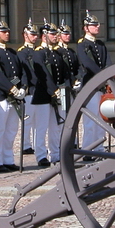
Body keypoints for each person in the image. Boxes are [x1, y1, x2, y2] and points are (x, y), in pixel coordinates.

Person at [0, 17, 23, 173]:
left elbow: (20, 71)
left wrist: (22, 87)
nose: (7, 34)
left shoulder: (11, 53)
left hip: (14, 97)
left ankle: (8, 159)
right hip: (1, 95)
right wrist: (11, 89)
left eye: (7, 31)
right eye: (3, 32)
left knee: (11, 130)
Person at [31, 20, 70, 166]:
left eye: (56, 34)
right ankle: (41, 155)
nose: (56, 36)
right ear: (44, 35)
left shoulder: (56, 54)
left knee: (56, 127)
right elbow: (43, 75)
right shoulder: (38, 54)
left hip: (58, 95)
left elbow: (64, 73)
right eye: (53, 34)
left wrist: (64, 88)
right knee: (41, 128)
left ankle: (56, 154)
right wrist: (53, 90)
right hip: (43, 95)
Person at [76, 10, 109, 149]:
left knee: (101, 119)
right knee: (90, 121)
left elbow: (108, 62)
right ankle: (88, 148)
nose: (97, 27)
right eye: (93, 25)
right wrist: (103, 76)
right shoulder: (82, 44)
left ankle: (100, 147)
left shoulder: (100, 44)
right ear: (85, 28)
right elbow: (87, 64)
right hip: (90, 84)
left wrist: (108, 77)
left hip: (102, 86)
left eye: (97, 24)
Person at [17, 19, 39, 157]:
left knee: (38, 121)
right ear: (25, 35)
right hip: (30, 89)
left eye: (36, 34)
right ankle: (26, 145)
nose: (35, 37)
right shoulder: (22, 52)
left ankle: (37, 144)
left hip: (39, 90)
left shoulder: (37, 51)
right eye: (32, 34)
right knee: (28, 119)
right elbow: (25, 72)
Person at [55, 20, 80, 112]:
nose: (68, 36)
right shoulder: (57, 51)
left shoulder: (71, 51)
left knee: (72, 112)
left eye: (68, 34)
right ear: (59, 36)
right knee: (63, 112)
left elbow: (77, 67)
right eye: (65, 34)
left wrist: (78, 79)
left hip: (73, 86)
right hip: (63, 86)